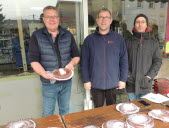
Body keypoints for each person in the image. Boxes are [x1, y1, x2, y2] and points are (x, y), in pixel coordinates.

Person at [28, 6, 80, 116]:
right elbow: (33, 60)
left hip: (66, 82)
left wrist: (71, 64)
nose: (52, 19)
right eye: (48, 16)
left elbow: (76, 56)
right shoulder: (37, 36)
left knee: (65, 111)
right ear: (43, 19)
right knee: (48, 113)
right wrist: (44, 74)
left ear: (59, 18)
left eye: (55, 16)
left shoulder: (67, 34)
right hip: (49, 83)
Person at [81, 8, 128, 108]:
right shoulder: (89, 40)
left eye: (106, 17)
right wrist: (86, 80)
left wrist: (123, 79)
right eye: (101, 17)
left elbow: (124, 60)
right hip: (95, 83)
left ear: (110, 21)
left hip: (113, 83)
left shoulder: (118, 39)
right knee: (98, 112)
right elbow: (84, 62)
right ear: (97, 20)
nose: (103, 20)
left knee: (112, 111)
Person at [126, 14, 162, 101]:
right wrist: (127, 75)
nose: (140, 24)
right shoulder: (127, 41)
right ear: (134, 24)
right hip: (131, 83)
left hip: (146, 83)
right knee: (133, 109)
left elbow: (157, 61)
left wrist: (149, 76)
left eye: (143, 22)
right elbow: (122, 61)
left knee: (144, 110)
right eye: (137, 22)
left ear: (146, 24)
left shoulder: (153, 42)